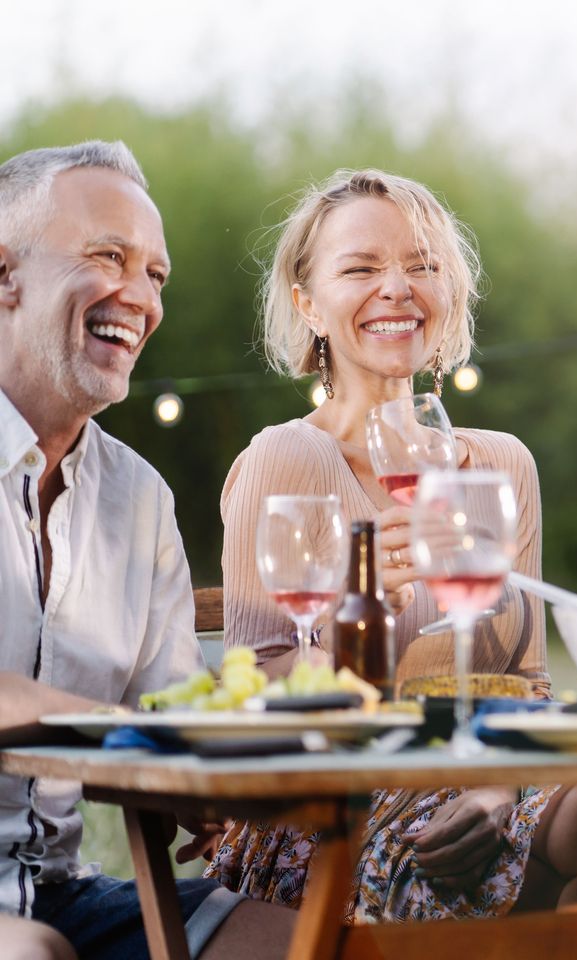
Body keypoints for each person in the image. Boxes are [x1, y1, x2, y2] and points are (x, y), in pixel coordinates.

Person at [205, 168, 577, 920]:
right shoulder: (287, 457)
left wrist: (491, 782)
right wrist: (359, 615)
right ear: (308, 305)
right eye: (361, 268)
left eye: (422, 265)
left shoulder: (500, 468)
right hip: (335, 808)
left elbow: (522, 680)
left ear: (450, 294)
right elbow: (264, 678)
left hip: (485, 779)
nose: (397, 286)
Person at [0, 141, 295, 959]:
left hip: (59, 890)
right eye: (108, 257)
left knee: (297, 942)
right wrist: (119, 730)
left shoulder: (139, 499)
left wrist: (204, 785)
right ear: (5, 275)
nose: (139, 297)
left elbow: (166, 715)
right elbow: (127, 728)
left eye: (156, 275)